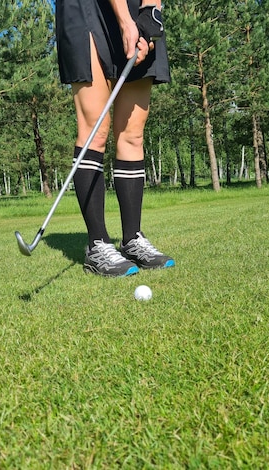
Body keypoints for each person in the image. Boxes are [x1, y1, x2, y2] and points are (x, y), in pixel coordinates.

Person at [55, 0, 175, 277]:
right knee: (95, 128)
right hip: (87, 7)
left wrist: (148, 16)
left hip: (135, 11)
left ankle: (132, 240)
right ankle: (97, 245)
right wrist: (125, 21)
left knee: (132, 133)